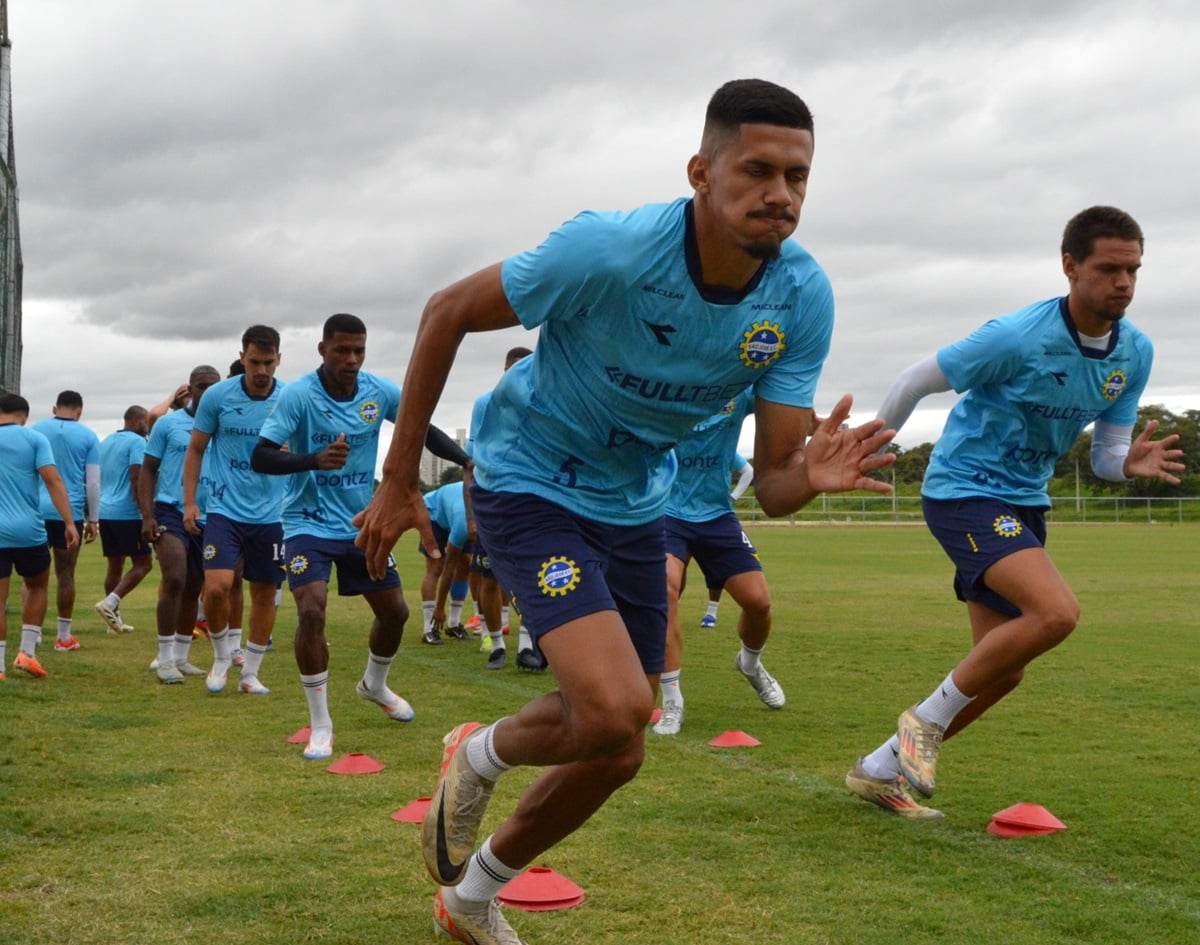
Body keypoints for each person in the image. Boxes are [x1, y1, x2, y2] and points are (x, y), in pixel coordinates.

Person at [353, 78, 895, 944]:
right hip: (528, 478)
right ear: (700, 171)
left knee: (620, 745)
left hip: (639, 499)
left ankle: (467, 898)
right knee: (608, 709)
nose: (781, 195)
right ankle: (481, 750)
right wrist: (398, 476)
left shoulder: (799, 298)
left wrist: (810, 475)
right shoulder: (608, 250)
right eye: (758, 170)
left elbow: (781, 483)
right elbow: (448, 309)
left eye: (799, 177)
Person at [845, 206, 1184, 821]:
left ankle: (878, 769)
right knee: (1056, 613)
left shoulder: (1134, 353)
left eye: (1134, 269)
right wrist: (875, 444)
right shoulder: (1017, 336)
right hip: (963, 489)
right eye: (1109, 268)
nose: (1124, 283)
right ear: (1070, 266)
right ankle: (922, 725)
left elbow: (1107, 455)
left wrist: (1126, 464)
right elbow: (914, 379)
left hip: (1025, 501)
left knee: (1003, 669)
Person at [250, 312, 470, 760]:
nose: (351, 359)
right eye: (342, 350)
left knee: (395, 614)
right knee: (311, 610)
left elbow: (421, 429)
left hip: (362, 522)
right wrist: (313, 459)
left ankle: (374, 684)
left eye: (358, 351)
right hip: (305, 523)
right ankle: (321, 724)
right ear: (322, 350)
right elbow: (261, 456)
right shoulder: (297, 396)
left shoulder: (378, 391)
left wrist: (467, 460)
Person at [653, 390, 781, 736]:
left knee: (758, 602)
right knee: (665, 589)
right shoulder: (664, 388)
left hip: (717, 516)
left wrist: (809, 424)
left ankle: (750, 665)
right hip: (667, 513)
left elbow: (781, 402)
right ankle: (671, 702)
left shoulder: (738, 392)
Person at [182, 325, 287, 696]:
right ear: (242, 357)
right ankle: (222, 656)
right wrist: (190, 501)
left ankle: (251, 674)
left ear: (278, 360)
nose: (261, 370)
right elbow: (195, 449)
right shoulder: (217, 397)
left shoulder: (290, 398)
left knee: (264, 591)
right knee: (216, 588)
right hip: (223, 509)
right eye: (254, 361)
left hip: (272, 514)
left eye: (268, 362)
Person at [138, 365, 222, 684]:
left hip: (211, 514)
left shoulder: (223, 426)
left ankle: (182, 657)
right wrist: (147, 516)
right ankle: (164, 658)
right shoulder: (168, 424)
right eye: (201, 386)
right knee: (174, 577)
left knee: (194, 584)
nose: (207, 393)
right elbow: (148, 469)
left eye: (213, 387)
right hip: (170, 509)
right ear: (190, 388)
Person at [465, 345, 544, 672]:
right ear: (504, 371)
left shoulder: (545, 403)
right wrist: (471, 514)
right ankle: (496, 644)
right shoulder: (486, 404)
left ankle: (528, 646)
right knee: (489, 578)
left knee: (535, 578)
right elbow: (469, 462)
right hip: (494, 502)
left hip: (536, 504)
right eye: (514, 368)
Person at [0, 394, 80, 679]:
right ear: (24, 415)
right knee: (36, 586)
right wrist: (69, 522)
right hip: (28, 530)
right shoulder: (34, 439)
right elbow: (52, 480)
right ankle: (27, 653)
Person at [32, 390, 101, 652]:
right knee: (65, 573)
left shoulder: (36, 431)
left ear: (54, 408)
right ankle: (63, 637)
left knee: (32, 577)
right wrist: (93, 518)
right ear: (80, 410)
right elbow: (92, 482)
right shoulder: (88, 436)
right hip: (67, 512)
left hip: (36, 509)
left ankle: (33, 631)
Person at [94, 405, 152, 635]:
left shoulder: (106, 441)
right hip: (127, 512)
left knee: (115, 565)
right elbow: (136, 475)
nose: (147, 426)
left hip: (105, 511)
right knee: (144, 564)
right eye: (146, 421)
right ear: (137, 421)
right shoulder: (137, 442)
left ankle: (113, 620)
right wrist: (146, 512)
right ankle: (109, 604)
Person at [699, 451, 754, 628]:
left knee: (714, 567)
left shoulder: (722, 446)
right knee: (675, 568)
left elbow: (748, 471)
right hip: (678, 516)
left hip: (714, 517)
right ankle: (669, 610)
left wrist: (733, 496)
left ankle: (711, 612)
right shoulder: (679, 441)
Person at [419, 480, 475, 647]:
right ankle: (429, 628)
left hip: (458, 514)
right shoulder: (462, 523)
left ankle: (453, 623)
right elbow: (449, 566)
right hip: (433, 513)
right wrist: (439, 608)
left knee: (466, 563)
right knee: (437, 565)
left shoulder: (486, 515)